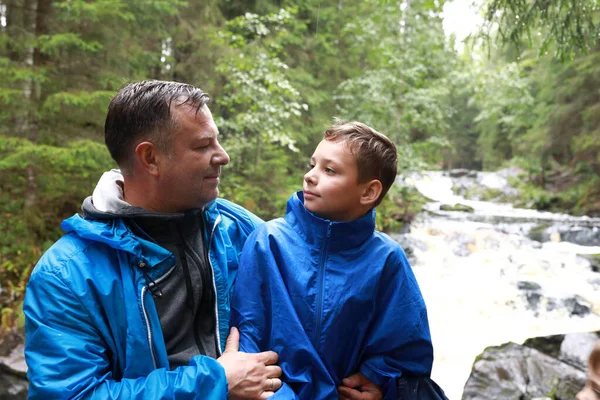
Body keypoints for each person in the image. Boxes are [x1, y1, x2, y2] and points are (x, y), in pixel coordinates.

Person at [23, 80, 283, 399]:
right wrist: (214, 383)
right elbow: (72, 395)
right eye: (203, 146)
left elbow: (314, 296)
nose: (223, 156)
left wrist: (361, 369)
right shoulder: (66, 276)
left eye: (218, 142)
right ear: (150, 159)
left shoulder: (238, 228)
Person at [231, 121, 436, 399]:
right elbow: (248, 332)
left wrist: (377, 381)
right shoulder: (268, 242)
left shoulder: (387, 258)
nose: (310, 176)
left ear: (368, 192)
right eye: (312, 164)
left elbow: (405, 346)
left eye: (330, 170)